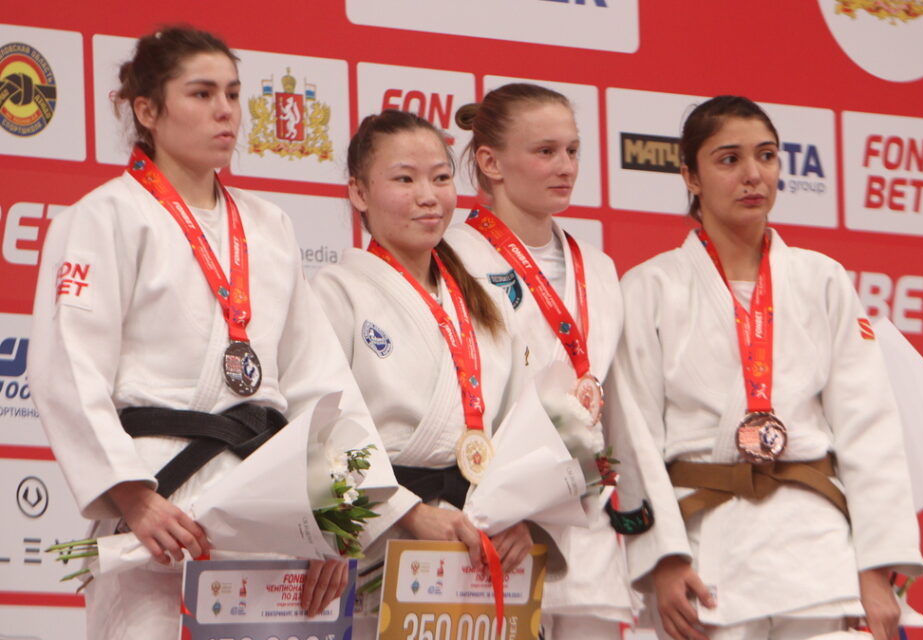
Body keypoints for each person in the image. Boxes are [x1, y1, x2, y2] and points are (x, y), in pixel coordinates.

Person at [28, 26, 385, 640]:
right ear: (147, 110)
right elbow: (68, 369)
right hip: (159, 507)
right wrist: (133, 497)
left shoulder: (269, 225)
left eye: (233, 93)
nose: (225, 111)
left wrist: (336, 515)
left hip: (268, 504)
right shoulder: (102, 217)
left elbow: (319, 379)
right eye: (201, 93)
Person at [605, 94, 923, 640]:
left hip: (818, 550)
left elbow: (869, 430)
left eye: (767, 156)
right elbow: (633, 437)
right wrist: (662, 558)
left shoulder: (822, 280)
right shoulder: (649, 288)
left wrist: (876, 569)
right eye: (729, 159)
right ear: (690, 176)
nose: (753, 175)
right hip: (705, 548)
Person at [310, 109, 537, 639]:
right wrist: (408, 513)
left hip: (476, 534)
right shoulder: (335, 291)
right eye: (405, 179)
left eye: (440, 177)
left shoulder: (486, 302)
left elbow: (522, 418)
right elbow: (321, 426)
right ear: (359, 192)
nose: (429, 196)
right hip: (382, 536)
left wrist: (520, 512)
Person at [446, 82, 653, 639]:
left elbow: (616, 412)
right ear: (490, 162)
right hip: (494, 526)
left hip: (584, 531)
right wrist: (506, 509)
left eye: (572, 150)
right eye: (545, 151)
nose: (565, 166)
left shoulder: (600, 268)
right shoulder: (451, 255)